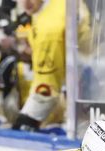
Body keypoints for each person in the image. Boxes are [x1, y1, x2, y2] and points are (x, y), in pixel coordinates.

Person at [11, 0, 91, 131]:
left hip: (91, 86)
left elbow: (47, 90)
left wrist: (27, 119)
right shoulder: (54, 7)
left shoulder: (49, 28)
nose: (25, 3)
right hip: (91, 76)